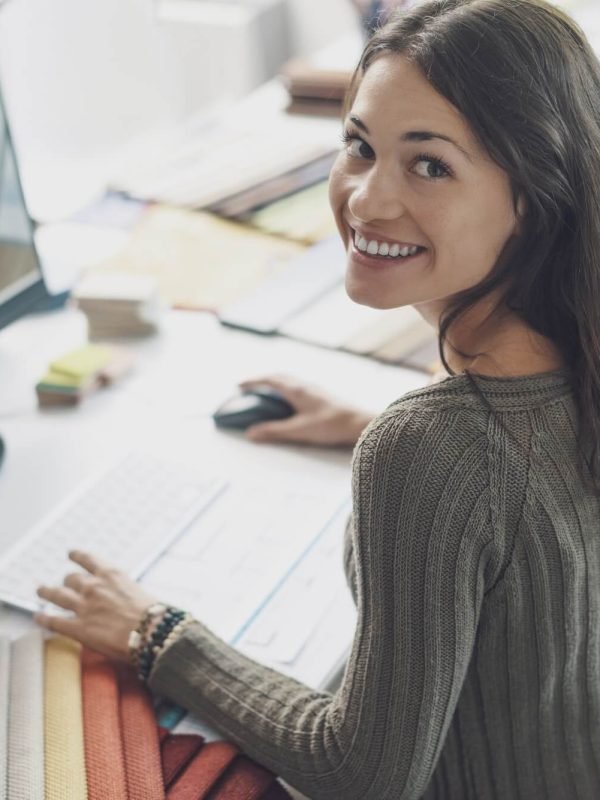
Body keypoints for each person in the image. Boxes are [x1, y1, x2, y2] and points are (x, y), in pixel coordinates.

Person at [34, 0, 600, 797]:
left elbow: (361, 774)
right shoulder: (574, 350)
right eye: (360, 147)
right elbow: (524, 493)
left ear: (534, 197)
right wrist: (363, 423)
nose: (367, 201)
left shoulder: (432, 449)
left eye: (429, 164)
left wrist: (153, 633)